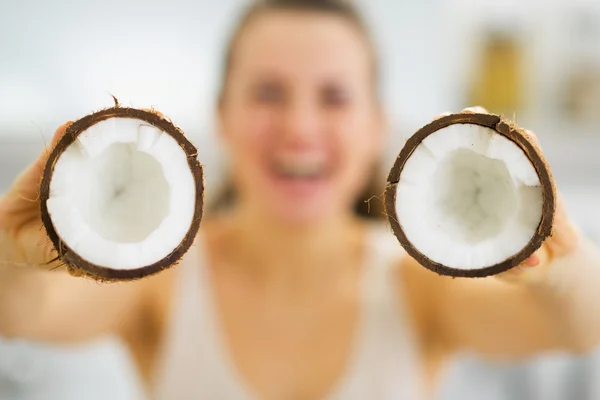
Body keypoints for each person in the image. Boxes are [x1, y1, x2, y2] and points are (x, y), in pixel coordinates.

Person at [1, 1, 600, 399]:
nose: (299, 127)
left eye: (335, 96)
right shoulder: (157, 283)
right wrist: (10, 247)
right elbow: (17, 315)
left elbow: (581, 332)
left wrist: (561, 265)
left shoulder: (421, 286)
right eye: (267, 92)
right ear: (223, 117)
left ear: (375, 126)